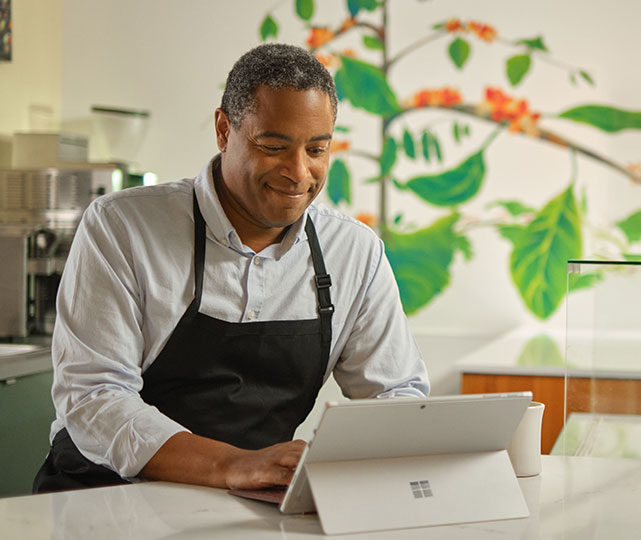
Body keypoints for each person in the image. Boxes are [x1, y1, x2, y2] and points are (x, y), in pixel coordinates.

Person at [33, 43, 429, 493]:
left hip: (250, 502)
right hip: (102, 496)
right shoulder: (122, 226)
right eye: (274, 146)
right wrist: (231, 466)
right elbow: (94, 397)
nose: (299, 172)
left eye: (317, 149)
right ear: (224, 130)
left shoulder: (354, 252)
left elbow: (397, 395)